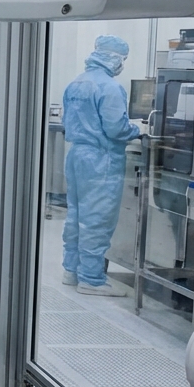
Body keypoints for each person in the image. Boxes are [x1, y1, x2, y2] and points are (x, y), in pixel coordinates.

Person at [61, 35, 141, 296]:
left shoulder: (76, 83)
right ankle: (91, 279)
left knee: (75, 214)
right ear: (114, 57)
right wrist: (137, 130)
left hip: (76, 156)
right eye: (123, 59)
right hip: (100, 159)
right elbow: (116, 128)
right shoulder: (110, 87)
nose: (122, 64)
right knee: (96, 218)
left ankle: (70, 270)